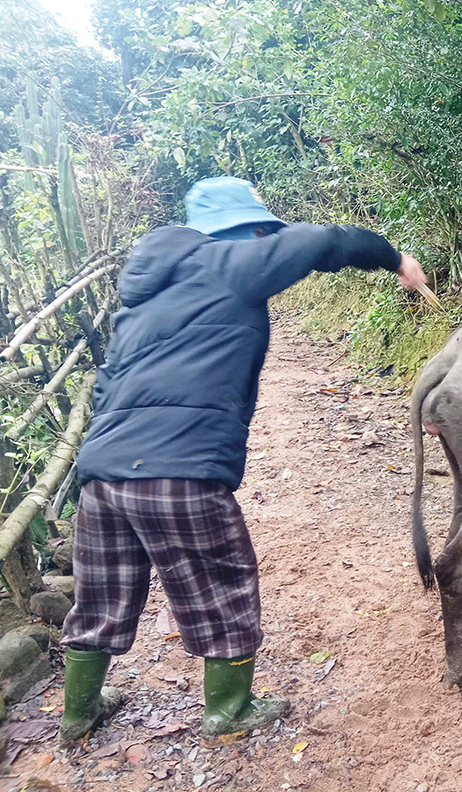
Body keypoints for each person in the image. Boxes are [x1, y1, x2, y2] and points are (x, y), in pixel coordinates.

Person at [58, 176, 427, 742]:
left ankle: (78, 714)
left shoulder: (146, 296)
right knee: (221, 582)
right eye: (261, 232)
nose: (265, 240)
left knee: (101, 590)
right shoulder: (231, 263)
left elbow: (109, 385)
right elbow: (322, 240)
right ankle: (227, 713)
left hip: (103, 472)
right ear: (243, 231)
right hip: (180, 471)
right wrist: (394, 257)